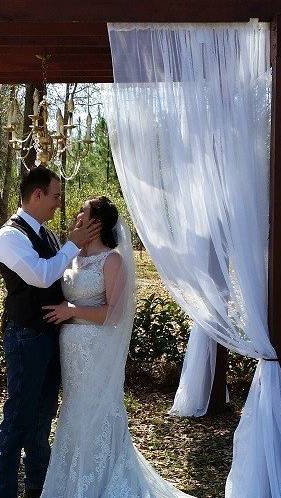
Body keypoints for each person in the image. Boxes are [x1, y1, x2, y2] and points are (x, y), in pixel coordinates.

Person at [40, 196, 194, 498]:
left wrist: (72, 310)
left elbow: (114, 315)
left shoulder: (111, 260)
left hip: (97, 349)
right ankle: (72, 480)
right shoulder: (71, 256)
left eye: (83, 212)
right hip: (70, 349)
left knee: (96, 409)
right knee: (73, 410)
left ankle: (101, 478)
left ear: (96, 222)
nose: (76, 215)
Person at [0, 167, 101, 498]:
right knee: (18, 420)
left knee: (41, 421)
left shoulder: (49, 235)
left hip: (51, 338)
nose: (58, 203)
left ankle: (38, 489)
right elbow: (40, 275)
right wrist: (71, 246)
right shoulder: (10, 237)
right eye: (55, 196)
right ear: (37, 195)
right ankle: (4, 491)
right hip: (26, 337)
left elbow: (61, 276)